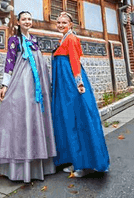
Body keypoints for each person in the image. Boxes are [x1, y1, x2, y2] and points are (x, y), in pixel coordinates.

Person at [0, 11, 57, 182]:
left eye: (30, 19)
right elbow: (9, 62)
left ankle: (36, 163)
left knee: (35, 119)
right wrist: (5, 85)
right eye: (24, 19)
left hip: (36, 87)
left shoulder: (34, 40)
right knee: (18, 117)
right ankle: (18, 166)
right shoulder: (14, 40)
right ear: (18, 22)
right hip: (21, 85)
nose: (27, 21)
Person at [51, 11, 109, 177]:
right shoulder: (63, 39)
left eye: (64, 22)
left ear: (71, 25)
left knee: (77, 119)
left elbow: (75, 62)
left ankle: (83, 164)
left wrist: (79, 83)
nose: (61, 25)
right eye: (58, 22)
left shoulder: (71, 38)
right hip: (64, 85)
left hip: (71, 84)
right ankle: (75, 160)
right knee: (68, 120)